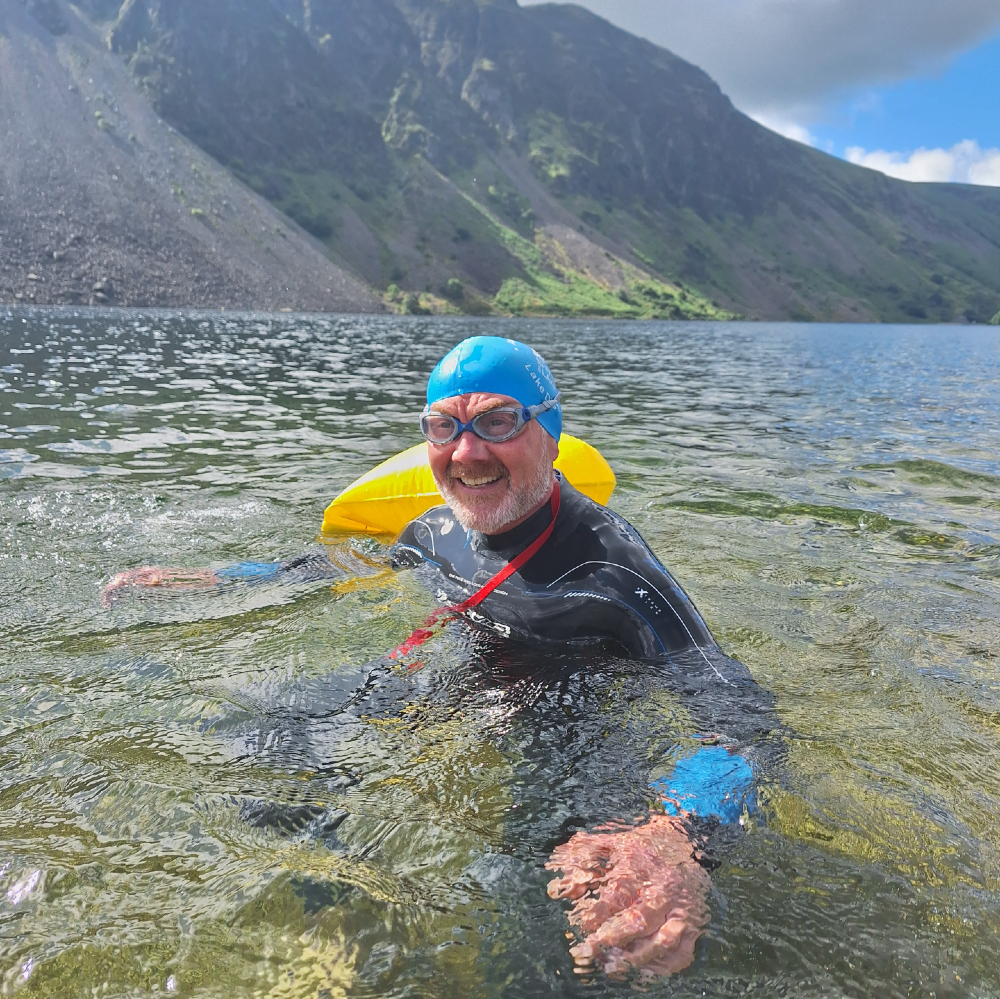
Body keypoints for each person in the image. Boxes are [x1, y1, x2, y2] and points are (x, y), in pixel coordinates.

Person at [103, 336, 774, 979]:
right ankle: (351, 921)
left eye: (497, 421)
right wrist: (214, 578)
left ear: (549, 429)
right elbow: (335, 561)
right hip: (451, 690)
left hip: (570, 731)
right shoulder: (436, 528)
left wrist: (677, 835)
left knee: (547, 920)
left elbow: (744, 716)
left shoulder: (612, 569)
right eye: (443, 427)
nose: (467, 451)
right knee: (261, 744)